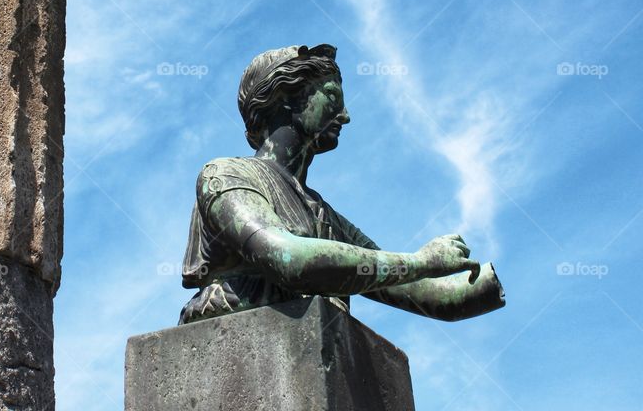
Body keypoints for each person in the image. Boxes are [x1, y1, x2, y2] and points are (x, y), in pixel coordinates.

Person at [180, 44, 505, 324]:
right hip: (240, 349)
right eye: (332, 96)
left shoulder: (325, 216)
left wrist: (482, 281)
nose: (345, 115)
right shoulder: (225, 175)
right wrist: (422, 262)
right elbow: (288, 259)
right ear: (286, 97)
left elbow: (425, 295)